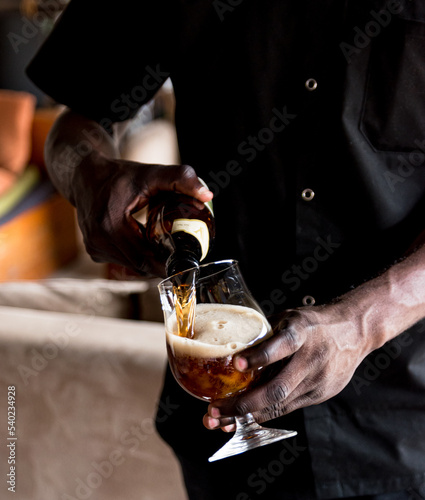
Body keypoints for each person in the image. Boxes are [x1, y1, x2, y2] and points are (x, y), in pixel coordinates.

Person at [26, 0, 425, 498]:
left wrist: (365, 321)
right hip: (219, 429)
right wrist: (91, 178)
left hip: (406, 427)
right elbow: (73, 124)